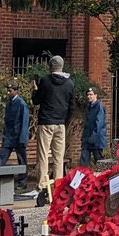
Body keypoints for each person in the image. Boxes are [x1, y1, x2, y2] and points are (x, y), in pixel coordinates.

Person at [32, 55, 75, 206]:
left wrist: (35, 91)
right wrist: (65, 120)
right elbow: (71, 105)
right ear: (62, 66)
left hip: (46, 122)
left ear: (51, 67)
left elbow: (37, 100)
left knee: (43, 155)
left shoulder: (45, 81)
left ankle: (42, 185)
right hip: (60, 123)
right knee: (59, 157)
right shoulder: (69, 83)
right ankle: (58, 185)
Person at [0, 79, 30, 186]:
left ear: (16, 91)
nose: (8, 93)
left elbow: (24, 121)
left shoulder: (21, 104)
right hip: (9, 136)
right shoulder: (9, 103)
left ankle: (22, 182)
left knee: (22, 160)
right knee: (1, 158)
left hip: (18, 136)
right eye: (7, 90)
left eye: (10, 90)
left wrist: (22, 138)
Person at [80, 87, 108, 166]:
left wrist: (93, 137)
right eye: (88, 95)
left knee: (99, 163)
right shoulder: (88, 106)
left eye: (91, 94)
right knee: (83, 163)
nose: (89, 96)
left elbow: (99, 123)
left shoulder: (99, 106)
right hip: (87, 139)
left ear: (96, 95)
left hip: (96, 140)